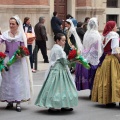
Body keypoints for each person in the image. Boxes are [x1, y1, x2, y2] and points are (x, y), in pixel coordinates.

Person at [35, 33, 78, 112]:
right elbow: (63, 61)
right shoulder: (58, 49)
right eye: (62, 40)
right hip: (58, 69)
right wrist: (74, 60)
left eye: (65, 40)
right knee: (58, 87)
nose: (64, 42)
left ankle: (62, 104)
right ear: (57, 41)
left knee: (58, 87)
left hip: (57, 68)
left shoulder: (56, 47)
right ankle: (55, 105)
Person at [0, 15, 33, 112]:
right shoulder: (5, 34)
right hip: (8, 61)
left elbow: (25, 49)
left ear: (17, 25)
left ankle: (18, 102)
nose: (11, 25)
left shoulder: (21, 36)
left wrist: (21, 55)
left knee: (17, 81)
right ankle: (10, 101)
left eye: (13, 24)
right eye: (10, 23)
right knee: (8, 81)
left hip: (18, 62)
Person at [91, 21, 120, 107]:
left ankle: (108, 100)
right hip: (113, 59)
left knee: (107, 79)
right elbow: (115, 50)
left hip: (106, 58)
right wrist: (119, 58)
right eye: (115, 26)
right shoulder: (114, 35)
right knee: (116, 79)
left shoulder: (104, 36)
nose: (116, 27)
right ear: (112, 27)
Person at [75, 18, 103, 98]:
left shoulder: (87, 33)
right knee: (94, 76)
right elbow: (97, 48)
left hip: (86, 56)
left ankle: (91, 92)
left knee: (90, 76)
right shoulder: (96, 34)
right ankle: (93, 93)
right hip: (94, 57)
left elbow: (85, 46)